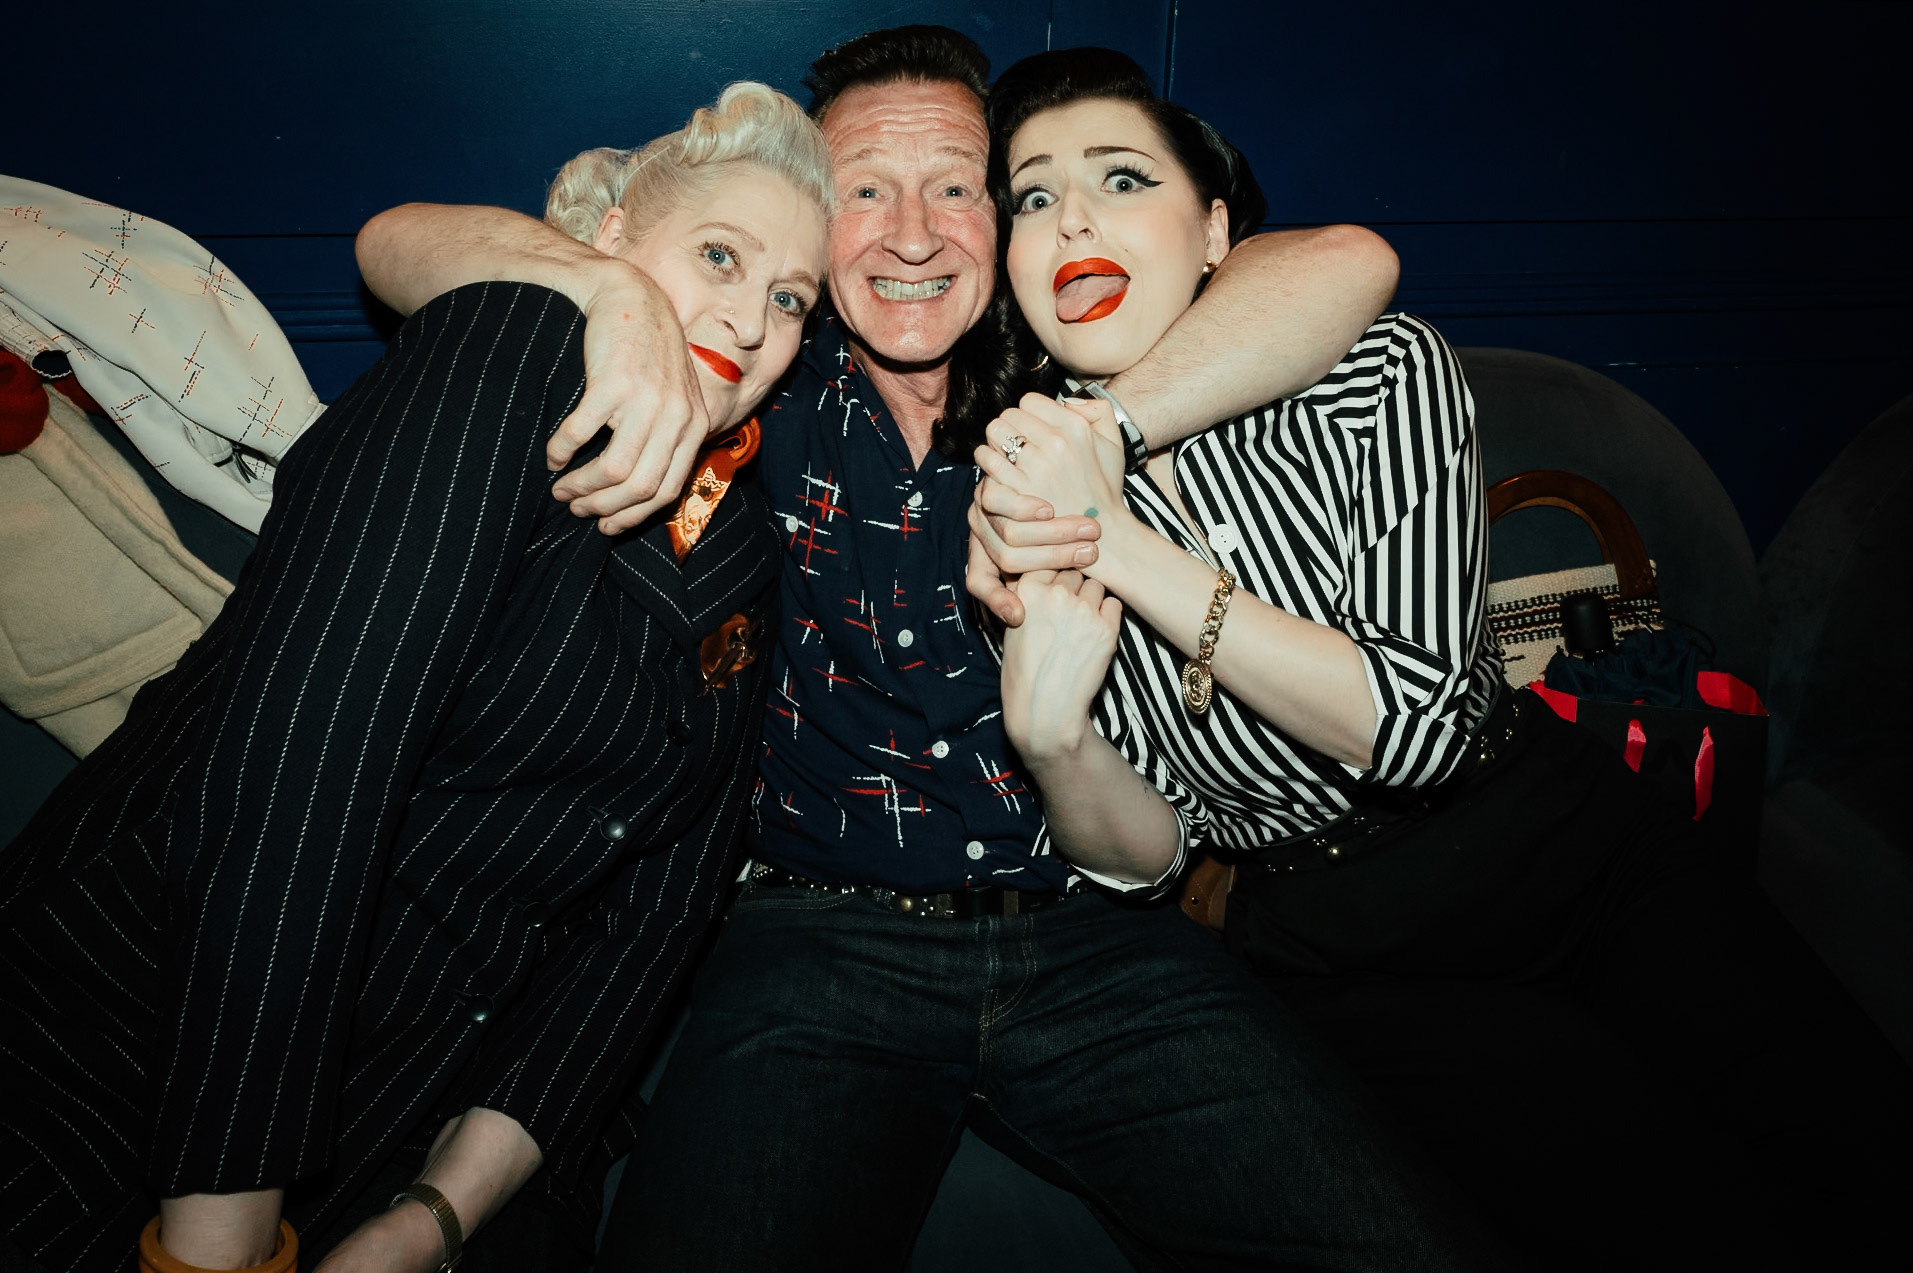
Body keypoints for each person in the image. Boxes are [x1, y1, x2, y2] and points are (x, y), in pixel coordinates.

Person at [356, 24, 1517, 1273]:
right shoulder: (754, 381)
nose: (912, 236)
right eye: (864, 191)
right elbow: (392, 243)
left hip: (1091, 932)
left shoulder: (1079, 379)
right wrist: (614, 296)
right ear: (814, 227)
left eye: (956, 188)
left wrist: (1103, 441)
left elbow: (1339, 266)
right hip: (813, 939)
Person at [969, 47, 1913, 1272]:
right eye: (1032, 196)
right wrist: (1053, 742)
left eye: (1120, 178)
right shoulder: (1009, 506)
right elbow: (1150, 855)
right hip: (1330, 943)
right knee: (1663, 1216)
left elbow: (1414, 727)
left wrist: (1120, 542)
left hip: (1551, 838)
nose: (1072, 218)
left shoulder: (1374, 371)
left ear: (1214, 233)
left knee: (1855, 1139)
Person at [0, 82, 830, 1273]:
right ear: (608, 242)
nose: (748, 319)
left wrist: (436, 1214)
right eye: (718, 256)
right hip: (125, 1046)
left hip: (413, 1114)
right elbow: (300, 770)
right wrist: (222, 1245)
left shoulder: (744, 541)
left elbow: (653, 921)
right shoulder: (512, 349)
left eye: (790, 298)